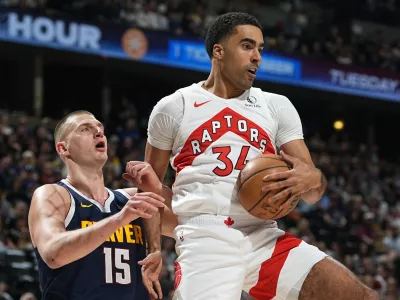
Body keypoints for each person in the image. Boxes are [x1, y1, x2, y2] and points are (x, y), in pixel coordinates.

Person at [125, 12, 379, 300]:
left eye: (260, 48)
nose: (257, 56)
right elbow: (150, 191)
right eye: (247, 46)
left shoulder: (276, 105)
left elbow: (312, 192)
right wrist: (155, 248)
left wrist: (313, 177)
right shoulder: (174, 107)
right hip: (206, 238)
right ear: (218, 52)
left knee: (360, 296)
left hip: (264, 234)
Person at [28, 110, 167, 300]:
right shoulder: (53, 194)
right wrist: (120, 219)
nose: (99, 133)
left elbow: (189, 223)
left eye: (100, 128)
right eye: (85, 129)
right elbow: (54, 253)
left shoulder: (131, 200)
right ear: (63, 149)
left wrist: (158, 187)